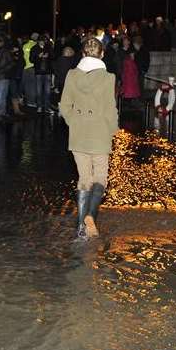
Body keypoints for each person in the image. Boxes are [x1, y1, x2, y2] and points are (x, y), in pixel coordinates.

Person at [59, 37, 118, 241]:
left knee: (84, 178)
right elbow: (110, 109)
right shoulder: (108, 77)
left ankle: (81, 228)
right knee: (100, 176)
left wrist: (73, 121)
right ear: (102, 54)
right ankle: (90, 216)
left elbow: (64, 105)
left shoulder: (72, 75)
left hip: (78, 132)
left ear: (83, 54)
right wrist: (113, 131)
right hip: (99, 131)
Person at [30, 37, 52, 113]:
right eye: (41, 41)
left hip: (48, 71)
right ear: (38, 41)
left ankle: (47, 107)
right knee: (39, 91)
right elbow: (31, 60)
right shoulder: (34, 48)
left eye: (44, 41)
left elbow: (53, 57)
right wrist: (38, 57)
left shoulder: (48, 47)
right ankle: (39, 106)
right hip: (38, 72)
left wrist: (48, 56)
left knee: (48, 91)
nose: (42, 42)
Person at [119, 36, 141, 103]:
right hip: (124, 74)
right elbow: (118, 63)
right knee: (125, 90)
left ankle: (129, 102)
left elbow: (136, 63)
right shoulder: (120, 51)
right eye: (124, 41)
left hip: (130, 75)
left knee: (130, 90)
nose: (125, 42)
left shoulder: (131, 50)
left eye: (127, 41)